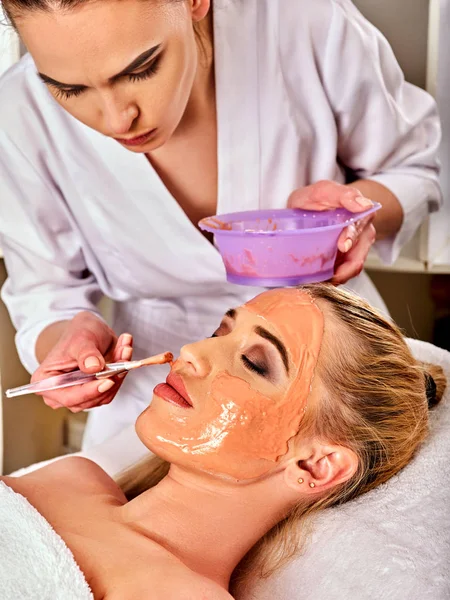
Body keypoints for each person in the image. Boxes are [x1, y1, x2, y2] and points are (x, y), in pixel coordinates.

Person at [0, 0, 442, 451]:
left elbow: (415, 170)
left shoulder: (304, 19)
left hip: (330, 374)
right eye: (69, 90)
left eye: (142, 68)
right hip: (153, 396)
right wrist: (69, 344)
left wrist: (350, 217)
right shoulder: (18, 111)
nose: (116, 119)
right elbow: (44, 293)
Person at [0, 285, 446, 598]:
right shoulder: (71, 478)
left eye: (254, 362)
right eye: (220, 332)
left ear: (315, 465)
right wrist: (79, 322)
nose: (193, 351)